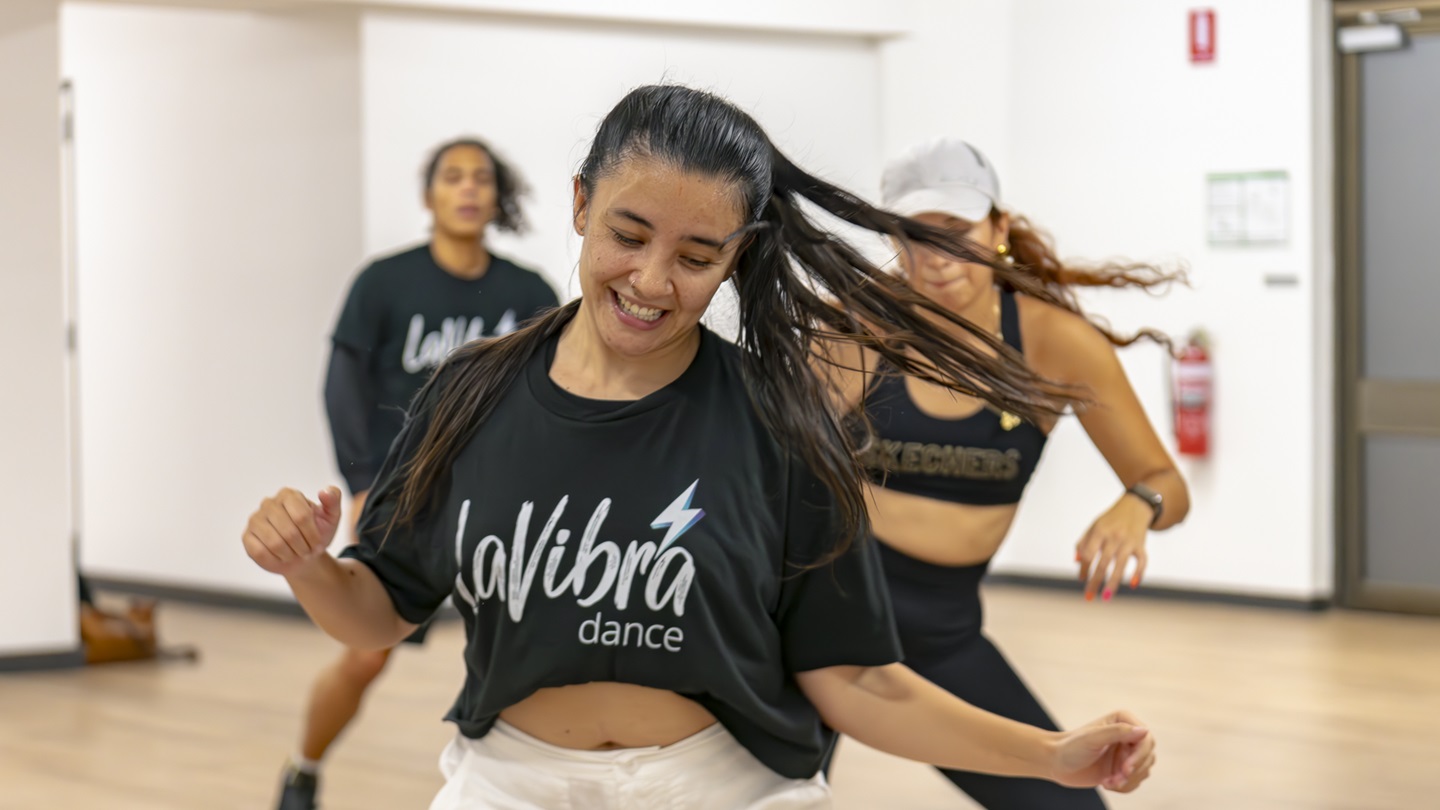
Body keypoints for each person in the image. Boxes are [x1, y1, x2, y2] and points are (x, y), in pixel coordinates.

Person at [245, 86, 1156, 810]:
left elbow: (858, 682)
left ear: (738, 255)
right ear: (580, 204)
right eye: (628, 235)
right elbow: (379, 613)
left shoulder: (781, 422)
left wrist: (1051, 756)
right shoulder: (470, 392)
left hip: (722, 786)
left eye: (695, 256)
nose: (651, 281)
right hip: (508, 783)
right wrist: (309, 566)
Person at [819, 137, 1190, 809]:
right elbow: (764, 470)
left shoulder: (1052, 343)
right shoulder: (857, 326)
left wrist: (1136, 503)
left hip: (943, 634)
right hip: (827, 613)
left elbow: (1167, 481)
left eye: (956, 232)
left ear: (998, 229)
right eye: (915, 236)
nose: (937, 258)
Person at [275, 137, 558, 810]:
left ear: (497, 196)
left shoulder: (529, 293)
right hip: (407, 499)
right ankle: (303, 769)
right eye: (452, 177)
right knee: (366, 653)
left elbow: (552, 397)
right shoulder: (383, 283)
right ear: (429, 195)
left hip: (502, 500)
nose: (468, 188)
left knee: (529, 647)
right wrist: (363, 484)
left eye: (481, 177)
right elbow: (342, 390)